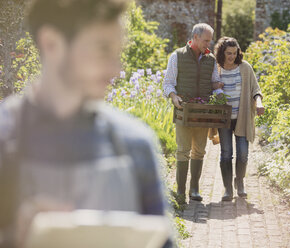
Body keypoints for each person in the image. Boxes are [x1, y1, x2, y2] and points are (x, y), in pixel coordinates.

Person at [0, 0, 171, 247]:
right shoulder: (4, 138)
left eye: (117, 53)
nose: (115, 69)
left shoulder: (136, 145)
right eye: (103, 49)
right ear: (51, 43)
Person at [163, 23, 221, 202]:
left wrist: (220, 96)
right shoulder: (177, 56)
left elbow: (214, 82)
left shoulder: (210, 59)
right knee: (183, 150)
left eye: (210, 41)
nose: (208, 45)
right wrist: (173, 97)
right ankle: (180, 190)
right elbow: (168, 83)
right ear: (195, 37)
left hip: (203, 112)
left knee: (199, 151)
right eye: (205, 40)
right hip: (184, 111)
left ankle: (194, 189)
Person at [214, 37, 265, 201]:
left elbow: (255, 89)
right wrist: (215, 88)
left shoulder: (245, 68)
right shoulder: (217, 69)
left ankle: (240, 182)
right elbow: (210, 88)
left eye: (235, 53)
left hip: (242, 117)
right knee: (226, 154)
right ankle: (228, 188)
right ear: (222, 53)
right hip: (224, 119)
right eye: (228, 53)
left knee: (243, 154)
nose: (232, 57)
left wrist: (259, 103)